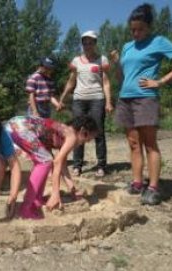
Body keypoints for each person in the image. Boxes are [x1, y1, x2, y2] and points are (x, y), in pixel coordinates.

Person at [110, 3, 172, 205]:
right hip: (126, 97)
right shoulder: (127, 46)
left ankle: (154, 187)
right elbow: (122, 78)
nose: (135, 33)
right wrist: (117, 64)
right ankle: (137, 182)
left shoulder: (159, 41)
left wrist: (160, 81)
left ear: (148, 27)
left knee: (150, 144)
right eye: (132, 30)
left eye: (139, 29)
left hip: (146, 98)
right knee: (133, 144)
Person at [5, 115, 98, 219]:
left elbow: (62, 165)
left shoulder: (66, 133)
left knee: (43, 161)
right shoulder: (72, 136)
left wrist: (72, 189)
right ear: (82, 130)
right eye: (87, 138)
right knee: (45, 161)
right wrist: (55, 194)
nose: (87, 142)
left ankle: (37, 199)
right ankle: (26, 207)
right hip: (20, 127)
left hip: (16, 125)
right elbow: (57, 162)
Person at [59, 30, 113, 177]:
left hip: (97, 99)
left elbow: (106, 82)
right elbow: (71, 81)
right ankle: (77, 165)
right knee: (76, 131)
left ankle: (101, 165)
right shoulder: (76, 61)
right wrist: (62, 98)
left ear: (95, 43)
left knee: (98, 131)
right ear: (82, 44)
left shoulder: (102, 60)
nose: (87, 45)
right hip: (79, 100)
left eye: (91, 42)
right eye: (85, 42)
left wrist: (108, 102)